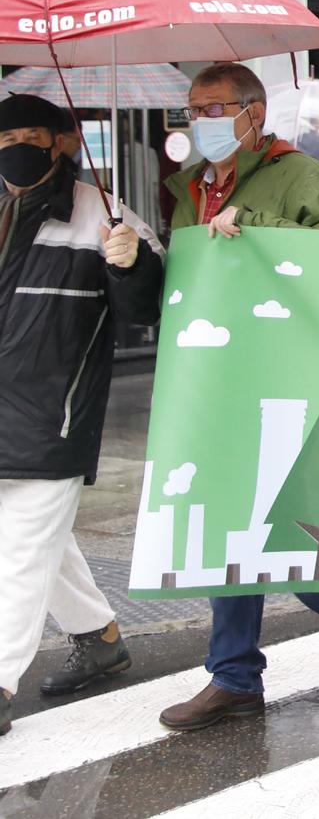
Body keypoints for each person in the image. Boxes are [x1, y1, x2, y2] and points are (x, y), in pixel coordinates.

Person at [156, 64, 319, 730]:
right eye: (193, 109)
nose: (202, 120)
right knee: (229, 513)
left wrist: (250, 225)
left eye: (215, 107)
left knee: (273, 517)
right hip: (212, 367)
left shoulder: (299, 175)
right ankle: (234, 675)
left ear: (254, 112)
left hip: (282, 367)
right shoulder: (189, 186)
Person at [0, 95, 165, 736]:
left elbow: (146, 311)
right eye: (5, 134)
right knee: (44, 542)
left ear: (63, 142)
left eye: (31, 134)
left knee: (17, 550)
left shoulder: (103, 212)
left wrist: (130, 264)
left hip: (54, 413)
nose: (16, 145)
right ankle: (99, 636)